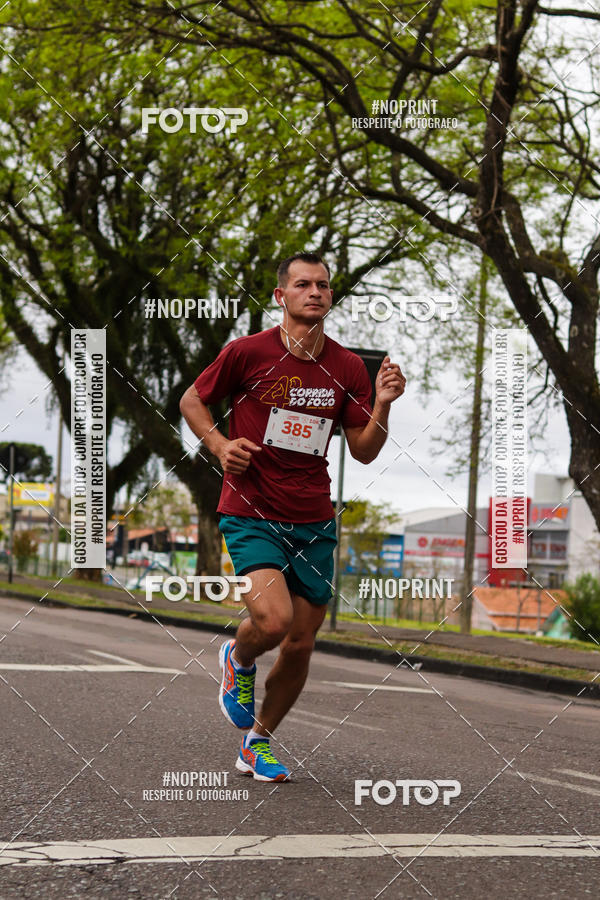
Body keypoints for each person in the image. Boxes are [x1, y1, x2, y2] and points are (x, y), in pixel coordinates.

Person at [180, 252, 406, 782]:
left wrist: (383, 404)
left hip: (313, 518)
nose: (316, 292)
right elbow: (192, 399)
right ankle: (238, 657)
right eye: (303, 284)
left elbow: (364, 451)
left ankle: (257, 743)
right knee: (274, 621)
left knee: (301, 643)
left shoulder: (347, 367)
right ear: (281, 296)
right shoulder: (247, 352)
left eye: (323, 285)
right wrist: (219, 445)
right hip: (251, 509)